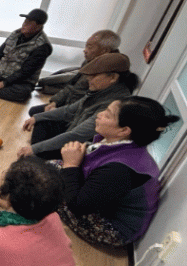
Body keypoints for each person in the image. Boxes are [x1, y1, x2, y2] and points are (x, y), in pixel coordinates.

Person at [58, 97, 180, 247]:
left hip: (112, 229)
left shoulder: (120, 169)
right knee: (52, 170)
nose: (99, 114)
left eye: (108, 115)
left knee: (46, 185)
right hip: (104, 205)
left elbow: (78, 206)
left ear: (124, 130)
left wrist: (71, 165)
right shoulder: (121, 144)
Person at [17, 52, 138, 160]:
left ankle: (35, 160)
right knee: (42, 120)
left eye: (94, 76)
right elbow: (69, 110)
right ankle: (36, 157)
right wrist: (37, 117)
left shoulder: (113, 103)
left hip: (78, 149)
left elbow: (76, 135)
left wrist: (35, 148)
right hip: (72, 129)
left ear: (113, 77)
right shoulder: (101, 91)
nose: (88, 79)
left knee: (37, 151)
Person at [29, 30, 121, 116]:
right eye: (86, 46)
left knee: (40, 120)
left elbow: (87, 105)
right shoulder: (88, 62)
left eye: (90, 47)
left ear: (105, 51)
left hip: (79, 113)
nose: (85, 50)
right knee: (34, 111)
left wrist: (59, 112)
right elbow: (72, 85)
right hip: (69, 103)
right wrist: (55, 102)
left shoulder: (108, 74)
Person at [0, 9, 52, 102]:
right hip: (1, 76)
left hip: (21, 82)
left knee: (22, 94)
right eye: (25, 21)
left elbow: (26, 72)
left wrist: (3, 83)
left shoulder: (43, 46)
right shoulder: (15, 34)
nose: (24, 24)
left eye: (29, 23)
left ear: (38, 27)